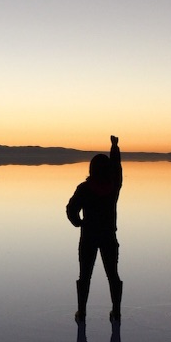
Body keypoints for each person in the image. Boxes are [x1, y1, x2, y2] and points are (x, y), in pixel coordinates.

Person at [66, 135, 123, 323]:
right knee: (112, 275)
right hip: (108, 236)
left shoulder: (84, 188)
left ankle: (81, 313)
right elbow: (117, 169)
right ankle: (116, 312)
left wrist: (78, 223)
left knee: (85, 276)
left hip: (89, 236)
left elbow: (71, 209)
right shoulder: (113, 187)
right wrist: (115, 148)